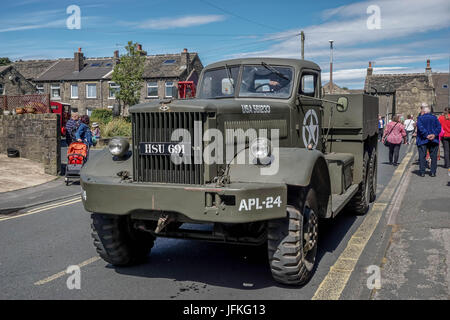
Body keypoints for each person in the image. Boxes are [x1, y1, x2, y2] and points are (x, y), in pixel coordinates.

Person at [416, 106, 441, 177]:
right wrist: (434, 134)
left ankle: (422, 172)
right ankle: (433, 172)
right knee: (434, 157)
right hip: (434, 140)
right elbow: (439, 127)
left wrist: (426, 135)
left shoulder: (420, 118)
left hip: (422, 140)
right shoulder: (435, 118)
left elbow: (420, 128)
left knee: (422, 156)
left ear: (424, 111)